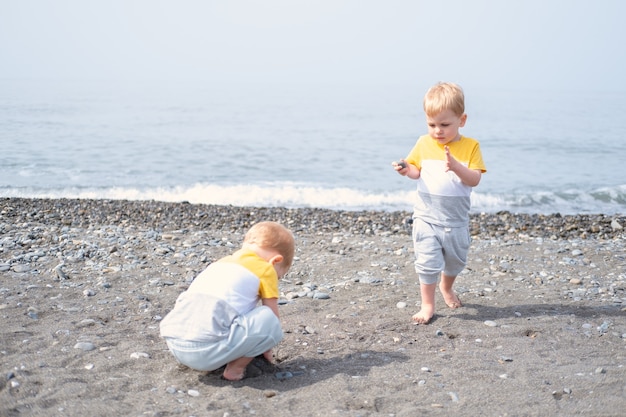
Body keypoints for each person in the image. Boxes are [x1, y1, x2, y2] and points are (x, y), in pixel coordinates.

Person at [392, 82, 486, 324]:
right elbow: (416, 171)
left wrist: (456, 166)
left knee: (455, 262)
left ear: (461, 120)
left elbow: (474, 179)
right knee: (427, 261)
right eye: (431, 124)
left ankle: (447, 286)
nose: (437, 131)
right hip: (426, 217)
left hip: (455, 220)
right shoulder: (424, 143)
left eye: (445, 125)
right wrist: (406, 169)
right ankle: (427, 305)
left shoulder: (470, 146)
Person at [160, 221, 295, 380]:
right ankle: (235, 370)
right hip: (205, 354)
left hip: (176, 346)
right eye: (280, 276)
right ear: (276, 261)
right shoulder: (266, 269)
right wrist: (266, 348)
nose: (276, 278)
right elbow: (272, 318)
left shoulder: (219, 264)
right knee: (268, 319)